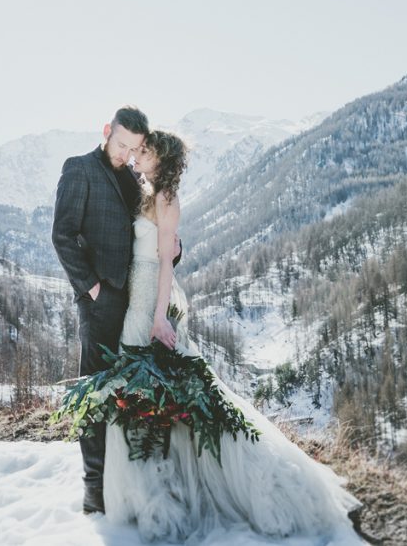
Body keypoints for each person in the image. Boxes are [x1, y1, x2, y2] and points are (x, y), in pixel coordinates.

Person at [102, 129, 365, 543]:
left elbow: (167, 266)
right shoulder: (147, 191)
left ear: (162, 158)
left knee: (159, 394)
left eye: (145, 151)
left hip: (151, 299)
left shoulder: (167, 199)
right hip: (136, 295)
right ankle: (152, 490)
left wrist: (158, 318)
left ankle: (174, 491)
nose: (138, 155)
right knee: (139, 393)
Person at [52, 106, 181, 514]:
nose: (126, 154)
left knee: (129, 393)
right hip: (99, 302)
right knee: (95, 390)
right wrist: (90, 289)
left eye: (134, 148)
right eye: (122, 144)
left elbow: (156, 235)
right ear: (107, 132)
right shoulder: (79, 168)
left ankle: (128, 484)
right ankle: (95, 490)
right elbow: (63, 235)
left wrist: (175, 253)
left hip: (134, 304)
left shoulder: (132, 178)